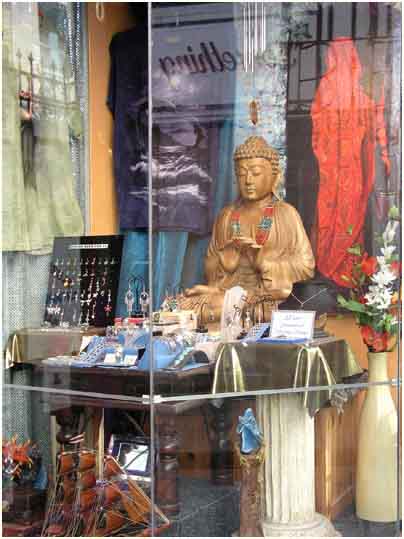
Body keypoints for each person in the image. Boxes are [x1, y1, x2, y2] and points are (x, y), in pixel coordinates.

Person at [180, 136, 315, 322]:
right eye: (242, 174)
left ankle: (235, 310)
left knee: (206, 310)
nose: (248, 180)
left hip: (266, 297)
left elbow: (306, 266)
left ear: (275, 176)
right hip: (229, 292)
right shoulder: (227, 216)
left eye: (256, 173)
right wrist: (225, 265)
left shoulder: (285, 214)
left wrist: (265, 264)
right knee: (183, 304)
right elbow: (211, 267)